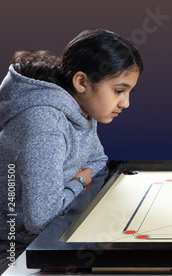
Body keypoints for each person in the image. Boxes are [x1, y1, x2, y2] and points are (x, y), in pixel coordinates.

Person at [0, 29, 143, 271]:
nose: (126, 103)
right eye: (119, 91)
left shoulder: (77, 106)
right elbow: (42, 219)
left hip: (50, 240)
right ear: (82, 82)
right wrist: (78, 181)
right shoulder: (43, 121)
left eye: (129, 92)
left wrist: (68, 187)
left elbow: (98, 161)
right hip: (16, 253)